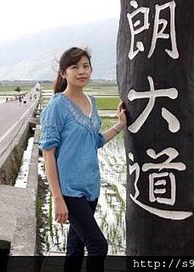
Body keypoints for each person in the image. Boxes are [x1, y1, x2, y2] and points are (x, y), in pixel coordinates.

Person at [39, 47, 127, 272]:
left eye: (85, 66)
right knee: (98, 246)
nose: (81, 71)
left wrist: (120, 125)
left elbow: (94, 141)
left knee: (76, 247)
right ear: (63, 73)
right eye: (74, 67)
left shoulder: (92, 102)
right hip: (70, 191)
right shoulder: (57, 106)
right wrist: (57, 197)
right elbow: (48, 154)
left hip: (91, 187)